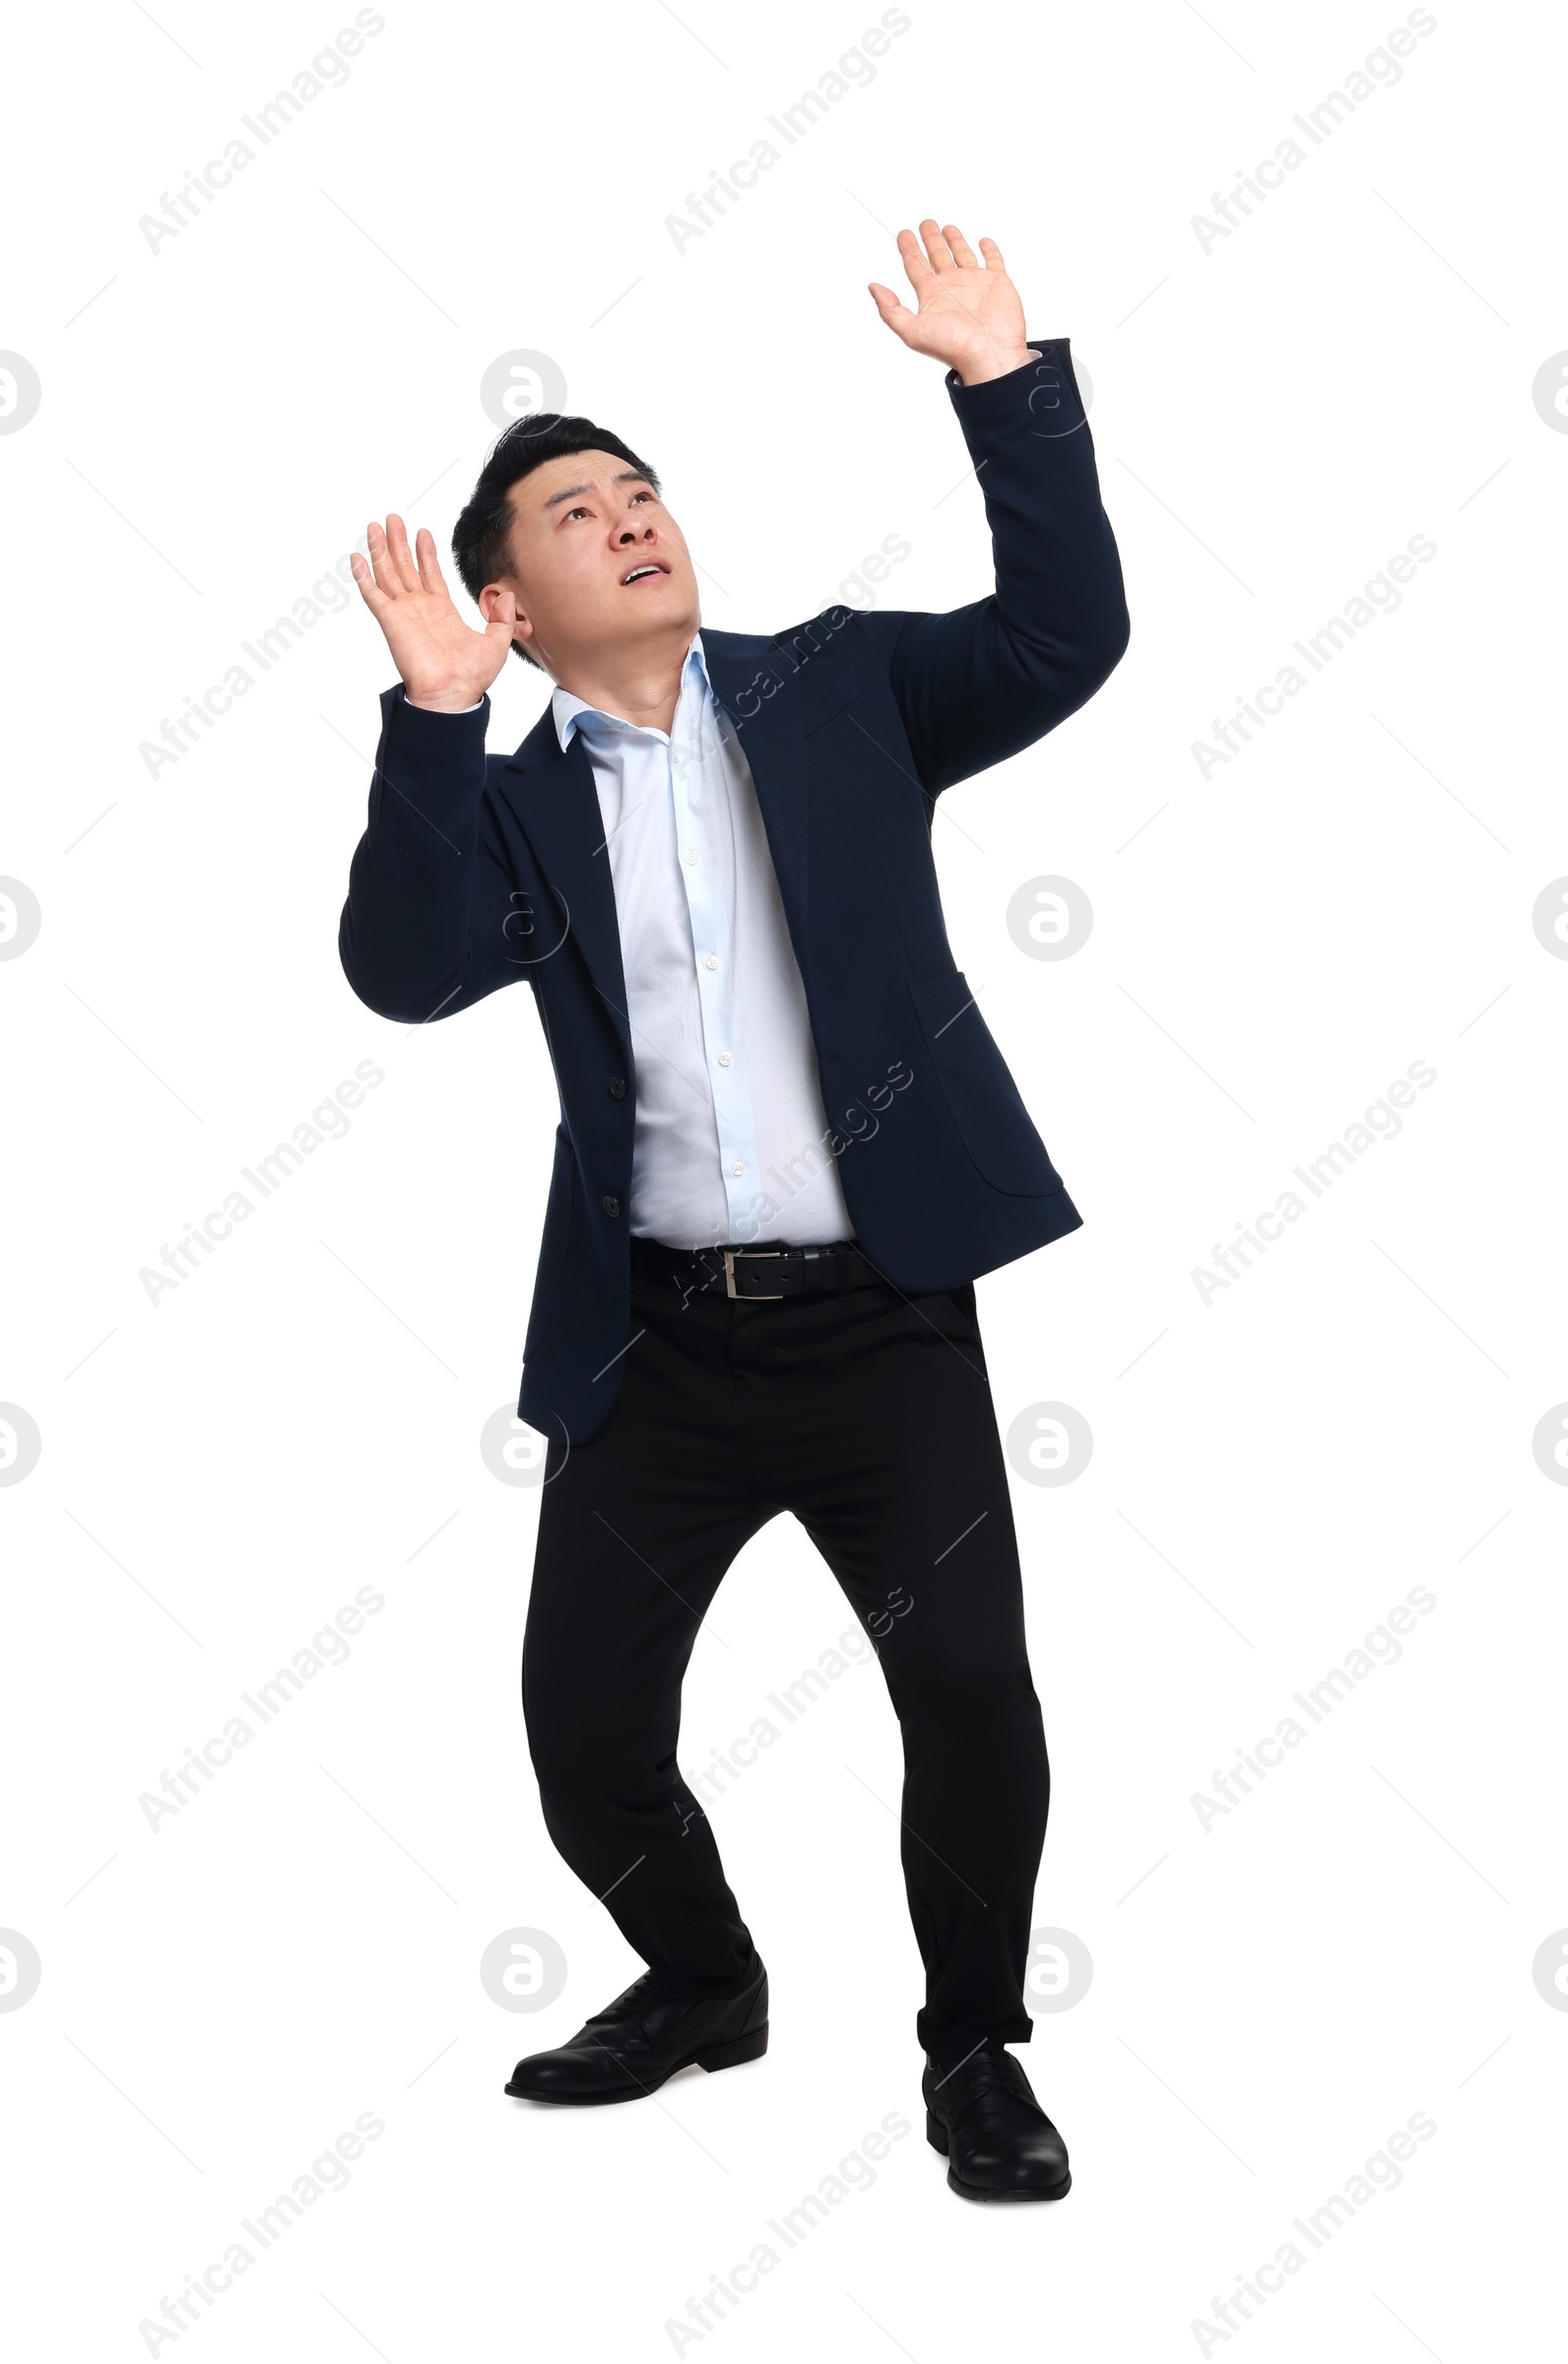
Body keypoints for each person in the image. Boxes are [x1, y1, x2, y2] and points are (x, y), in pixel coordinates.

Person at [339, 218, 1128, 2201]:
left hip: (882, 1323)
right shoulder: (515, 803)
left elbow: (1060, 637)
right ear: (505, 603)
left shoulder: (844, 688)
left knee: (966, 1694)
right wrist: (434, 728)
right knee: (579, 1733)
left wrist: (1000, 391)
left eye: (639, 493)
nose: (624, 520)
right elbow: (407, 968)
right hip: (656, 1345)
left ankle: (972, 2050)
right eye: (570, 512)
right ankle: (701, 1978)